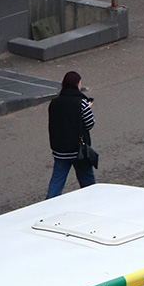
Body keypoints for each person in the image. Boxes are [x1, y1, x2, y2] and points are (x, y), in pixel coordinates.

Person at [45, 70, 96, 198]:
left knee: (56, 182)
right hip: (78, 150)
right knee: (88, 183)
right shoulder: (82, 103)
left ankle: (48, 207)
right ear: (77, 84)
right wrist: (88, 108)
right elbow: (90, 124)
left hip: (60, 150)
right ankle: (93, 203)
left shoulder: (54, 103)